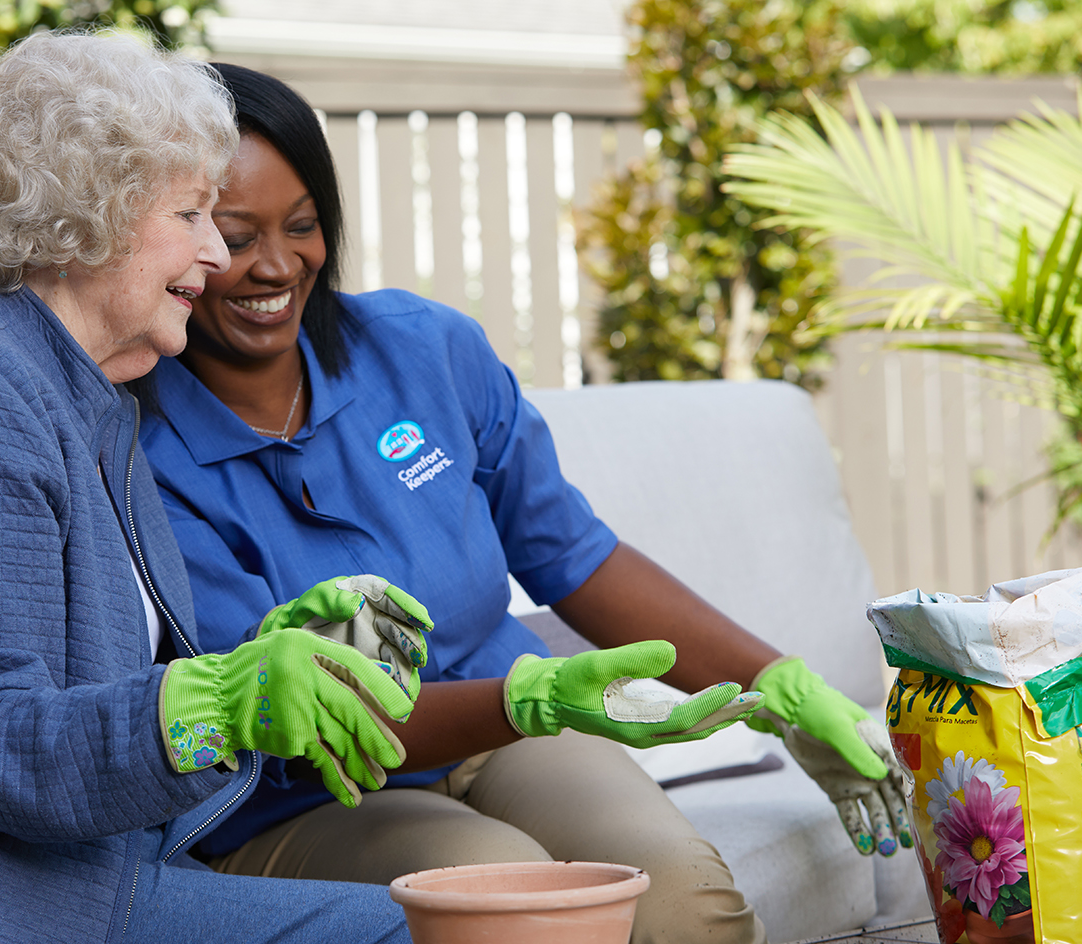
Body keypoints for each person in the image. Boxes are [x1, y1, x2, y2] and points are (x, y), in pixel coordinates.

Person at [136, 63, 915, 944]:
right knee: (533, 913)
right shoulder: (141, 450)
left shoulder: (423, 349)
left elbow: (574, 554)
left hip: (505, 723)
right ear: (178, 239)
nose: (276, 264)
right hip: (309, 794)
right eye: (237, 235)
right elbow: (316, 715)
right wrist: (528, 698)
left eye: (304, 225)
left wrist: (781, 688)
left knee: (686, 909)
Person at [0, 31, 435, 944]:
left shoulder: (90, 396)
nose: (215, 256)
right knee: (404, 932)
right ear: (85, 215)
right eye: (192, 216)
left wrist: (269, 657)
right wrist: (221, 700)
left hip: (62, 873)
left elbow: (99, 697)